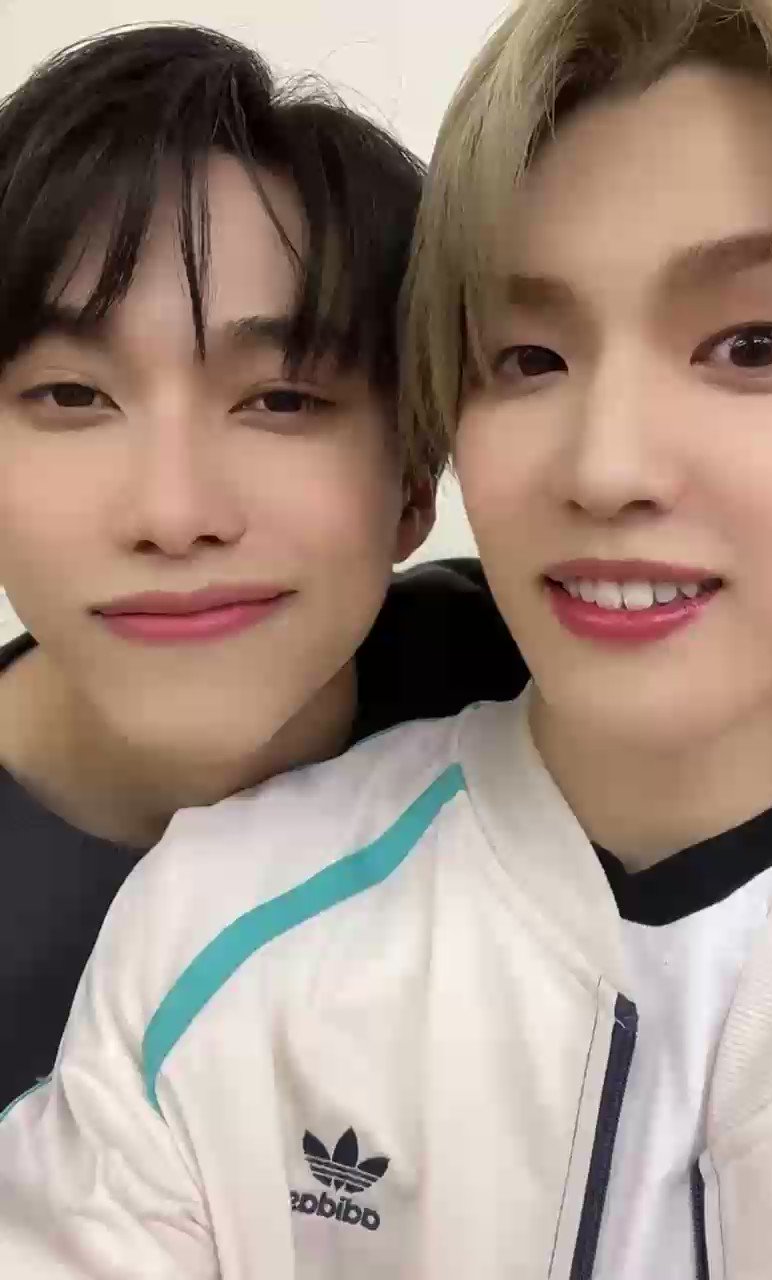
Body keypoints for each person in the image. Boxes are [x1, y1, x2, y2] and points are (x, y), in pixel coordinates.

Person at [4, 6, 772, 1274]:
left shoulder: (466, 645)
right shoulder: (215, 929)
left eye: (753, 346)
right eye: (529, 356)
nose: (606, 469)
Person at [0, 24, 525, 1108]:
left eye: (281, 400)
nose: (174, 514)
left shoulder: (534, 697)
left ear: (416, 480)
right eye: (72, 396)